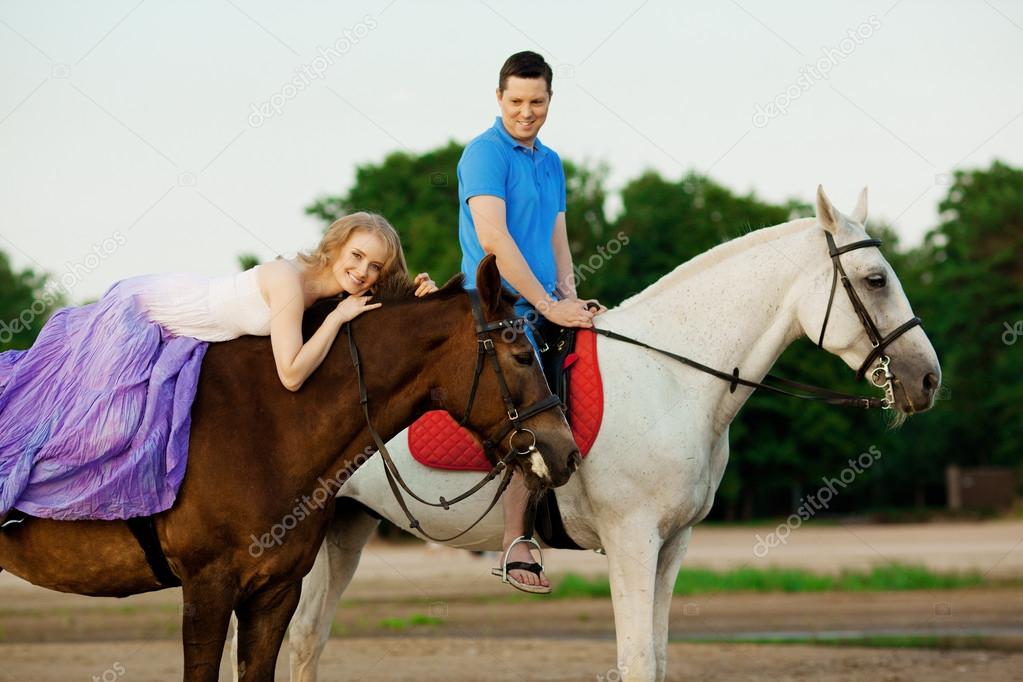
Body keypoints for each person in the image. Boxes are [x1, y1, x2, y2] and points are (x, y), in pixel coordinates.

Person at [0, 212, 436, 526]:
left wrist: (419, 297)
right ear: (335, 246)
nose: (362, 271)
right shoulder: (290, 281)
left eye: (374, 266)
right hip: (146, 311)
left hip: (186, 329)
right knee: (101, 421)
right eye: (356, 256)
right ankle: (29, 505)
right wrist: (340, 319)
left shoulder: (329, 294)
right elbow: (292, 373)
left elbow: (377, 317)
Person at [458, 51, 604, 593]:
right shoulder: (483, 154)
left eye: (536, 101)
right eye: (516, 101)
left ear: (549, 101)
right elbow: (494, 238)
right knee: (532, 406)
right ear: (499, 99)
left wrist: (573, 299)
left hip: (545, 302)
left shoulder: (551, 161)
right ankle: (516, 539)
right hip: (495, 307)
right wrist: (547, 306)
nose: (526, 111)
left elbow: (557, 235)